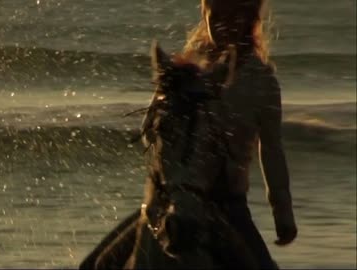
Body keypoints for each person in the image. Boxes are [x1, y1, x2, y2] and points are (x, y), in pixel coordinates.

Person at [80, 0, 297, 269]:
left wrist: (283, 213)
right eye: (214, 15)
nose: (222, 24)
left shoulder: (261, 81)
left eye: (232, 16)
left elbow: (272, 151)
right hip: (168, 201)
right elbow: (149, 129)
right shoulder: (188, 69)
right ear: (204, 15)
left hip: (226, 207)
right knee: (95, 265)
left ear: (250, 19)